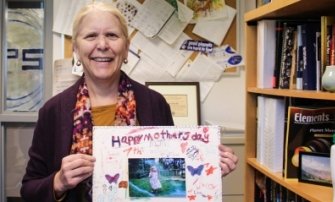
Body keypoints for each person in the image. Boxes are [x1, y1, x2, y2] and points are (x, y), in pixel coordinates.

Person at [20, 2, 238, 201]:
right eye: (90, 36)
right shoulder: (53, 111)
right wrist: (58, 182)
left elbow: (170, 175)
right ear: (76, 49)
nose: (102, 44)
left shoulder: (155, 103)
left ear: (126, 48)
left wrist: (208, 165)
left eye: (112, 35)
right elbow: (29, 189)